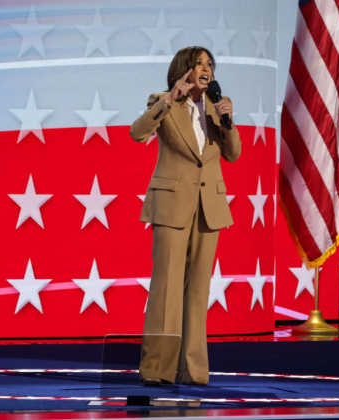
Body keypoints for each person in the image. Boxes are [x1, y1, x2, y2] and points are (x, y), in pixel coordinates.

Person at [130, 46, 241, 386]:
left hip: (209, 207)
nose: (206, 68)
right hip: (172, 205)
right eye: (199, 63)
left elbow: (233, 154)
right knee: (166, 288)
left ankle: (192, 371)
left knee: (198, 291)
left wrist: (227, 121)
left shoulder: (216, 107)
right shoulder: (163, 101)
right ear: (184, 70)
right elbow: (137, 133)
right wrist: (168, 100)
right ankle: (157, 370)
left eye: (210, 64)